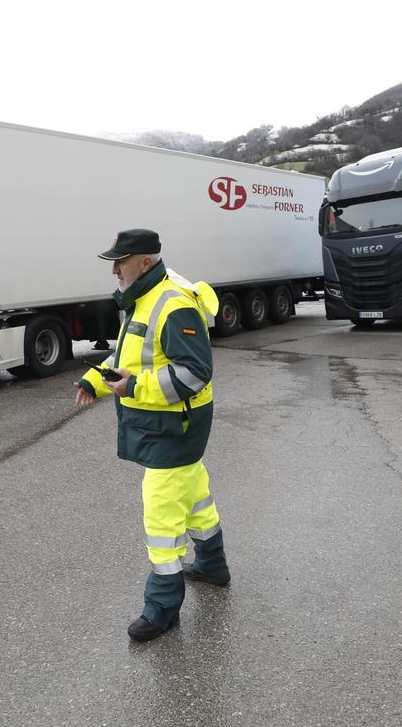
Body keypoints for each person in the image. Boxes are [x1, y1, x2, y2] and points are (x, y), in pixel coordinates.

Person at [75, 228, 231, 642]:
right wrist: (95, 378)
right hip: (168, 426)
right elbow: (127, 355)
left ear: (145, 262)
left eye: (120, 262)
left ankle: (162, 607)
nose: (114, 270)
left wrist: (135, 388)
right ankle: (213, 566)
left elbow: (195, 373)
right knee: (195, 497)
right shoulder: (143, 299)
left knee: (161, 516)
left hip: (174, 427)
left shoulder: (172, 303)